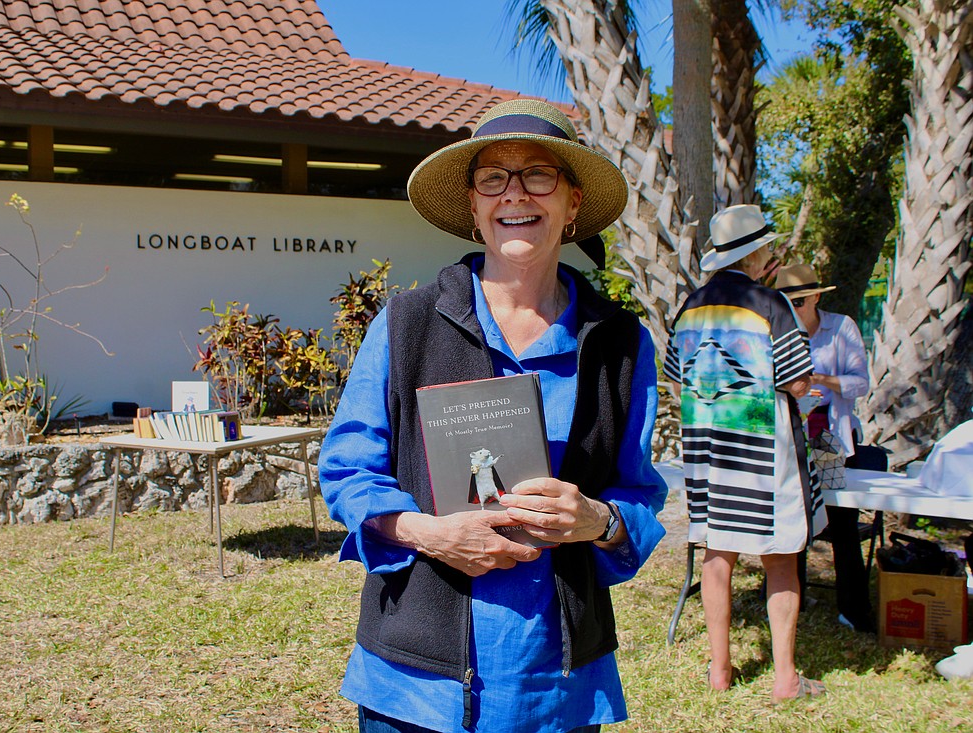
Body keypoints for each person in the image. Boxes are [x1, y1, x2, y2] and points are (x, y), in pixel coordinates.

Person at [318, 98, 667, 733]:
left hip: (556, 685)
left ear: (573, 202)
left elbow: (639, 494)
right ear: (474, 206)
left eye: (539, 174)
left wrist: (597, 519)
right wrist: (427, 532)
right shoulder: (406, 325)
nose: (515, 193)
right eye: (493, 178)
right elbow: (348, 471)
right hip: (417, 682)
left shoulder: (619, 344)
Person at [664, 204, 827, 701]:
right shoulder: (769, 303)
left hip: (710, 452)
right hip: (764, 453)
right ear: (756, 255)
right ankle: (785, 679)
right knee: (780, 560)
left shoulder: (690, 306)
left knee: (718, 555)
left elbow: (676, 379)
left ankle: (720, 670)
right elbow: (797, 382)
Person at [776, 262, 874, 632]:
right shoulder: (777, 331)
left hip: (829, 436)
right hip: (789, 436)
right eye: (786, 301)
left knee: (843, 522)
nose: (794, 308)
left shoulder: (841, 327)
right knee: (792, 517)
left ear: (816, 296)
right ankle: (791, 602)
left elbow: (860, 382)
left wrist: (821, 380)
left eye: (799, 301)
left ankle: (853, 608)